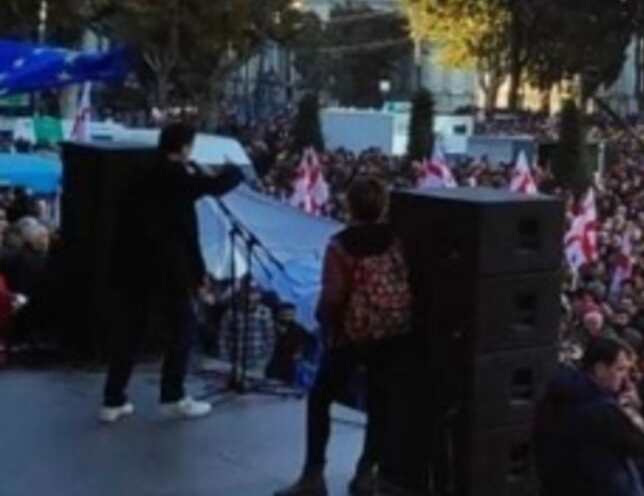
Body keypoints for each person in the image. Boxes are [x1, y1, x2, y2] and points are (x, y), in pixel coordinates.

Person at [276, 177, 416, 496]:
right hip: (390, 334)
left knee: (320, 398)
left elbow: (332, 298)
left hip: (350, 336)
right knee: (380, 403)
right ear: (383, 206)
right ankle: (366, 472)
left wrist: (328, 326)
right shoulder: (397, 240)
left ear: (350, 205)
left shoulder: (340, 245)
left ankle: (313, 475)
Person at [100, 121, 244, 423]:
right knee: (183, 330)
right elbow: (213, 192)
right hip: (166, 270)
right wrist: (233, 170)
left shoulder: (140, 171)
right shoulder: (177, 176)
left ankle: (112, 400)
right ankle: (173, 395)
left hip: (133, 267)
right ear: (183, 146)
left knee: (131, 333)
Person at [536, 335, 644, 496]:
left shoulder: (555, 396)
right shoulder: (604, 412)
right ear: (600, 369)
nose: (625, 377)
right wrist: (632, 414)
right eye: (619, 369)